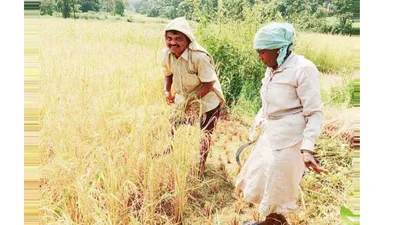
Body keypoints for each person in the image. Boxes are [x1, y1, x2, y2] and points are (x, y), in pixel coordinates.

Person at [235, 22, 328, 225]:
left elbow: (314, 113)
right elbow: (269, 101)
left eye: (262, 52)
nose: (259, 56)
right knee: (266, 179)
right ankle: (271, 221)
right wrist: (259, 120)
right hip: (271, 134)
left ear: (280, 49)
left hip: (291, 140)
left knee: (280, 186)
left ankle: (274, 222)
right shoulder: (273, 67)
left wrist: (307, 149)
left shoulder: (302, 69)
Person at [161, 17, 225, 175]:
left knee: (205, 134)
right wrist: (167, 90)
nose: (173, 43)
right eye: (169, 39)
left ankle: (200, 167)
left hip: (208, 99)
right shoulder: (166, 54)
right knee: (174, 125)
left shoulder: (199, 57)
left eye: (178, 39)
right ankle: (171, 152)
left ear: (188, 40)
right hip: (185, 97)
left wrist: (189, 101)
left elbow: (208, 84)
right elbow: (168, 73)